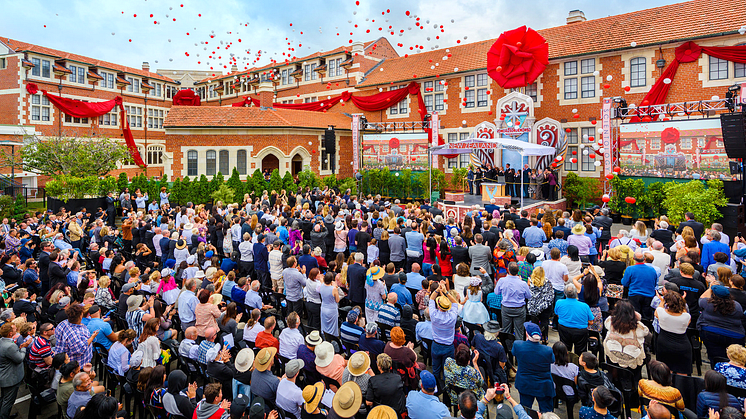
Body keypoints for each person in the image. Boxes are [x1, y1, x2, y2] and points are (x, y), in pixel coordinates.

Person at [698, 284, 745, 366]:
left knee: (715, 357)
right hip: (734, 336)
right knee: (734, 359)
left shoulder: (707, 303)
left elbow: (702, 297)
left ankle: (716, 373)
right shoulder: (737, 306)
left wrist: (710, 287)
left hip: (710, 332)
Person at [512, 322, 555, 413]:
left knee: (525, 410)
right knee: (546, 412)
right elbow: (552, 360)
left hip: (525, 384)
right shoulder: (547, 350)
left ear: (527, 334)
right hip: (543, 386)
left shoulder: (518, 345)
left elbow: (513, 353)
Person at [428, 280, 459, 382]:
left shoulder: (433, 314)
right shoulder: (452, 316)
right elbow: (455, 302)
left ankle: (436, 387)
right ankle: (446, 389)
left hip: (436, 345)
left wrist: (438, 289)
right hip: (448, 346)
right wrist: (445, 292)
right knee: (447, 370)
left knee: (435, 369)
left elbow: (431, 298)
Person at [603, 300, 648, 369]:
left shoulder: (611, 321)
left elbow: (606, 324)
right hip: (631, 356)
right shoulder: (638, 326)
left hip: (613, 352)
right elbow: (646, 332)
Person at [495, 262, 532, 339]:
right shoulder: (523, 284)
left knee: (506, 330)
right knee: (519, 331)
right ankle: (518, 348)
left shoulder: (502, 281)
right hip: (518, 309)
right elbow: (529, 296)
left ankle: (507, 347)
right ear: (518, 271)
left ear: (508, 270)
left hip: (507, 308)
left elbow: (496, 292)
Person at [0, 322, 29, 419]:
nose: (16, 329)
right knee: (8, 401)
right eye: (14, 329)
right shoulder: (9, 346)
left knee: (4, 398)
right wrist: (23, 348)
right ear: (10, 334)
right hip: (10, 379)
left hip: (4, 376)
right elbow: (19, 358)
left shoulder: (2, 341)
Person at [555, 284, 594, 355]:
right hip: (580, 331)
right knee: (580, 352)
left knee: (565, 350)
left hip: (564, 328)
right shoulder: (584, 306)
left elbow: (557, 314)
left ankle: (565, 364)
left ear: (565, 293)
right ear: (576, 293)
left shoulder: (559, 302)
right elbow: (591, 322)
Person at [621, 252, 658, 319]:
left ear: (633, 258)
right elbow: (654, 283)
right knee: (646, 316)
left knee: (634, 316)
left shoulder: (630, 269)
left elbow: (625, 283)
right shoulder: (652, 270)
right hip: (649, 295)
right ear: (644, 259)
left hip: (634, 295)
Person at [528, 267, 554, 343]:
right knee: (545, 322)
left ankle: (534, 337)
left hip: (533, 306)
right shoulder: (548, 282)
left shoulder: (530, 282)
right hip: (544, 307)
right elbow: (551, 295)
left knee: (534, 322)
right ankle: (544, 338)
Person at [318, 272, 341, 337]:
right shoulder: (333, 289)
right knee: (333, 327)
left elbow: (322, 281)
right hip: (332, 310)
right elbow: (337, 300)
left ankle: (324, 337)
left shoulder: (321, 285)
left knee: (324, 325)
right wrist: (335, 287)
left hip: (323, 308)